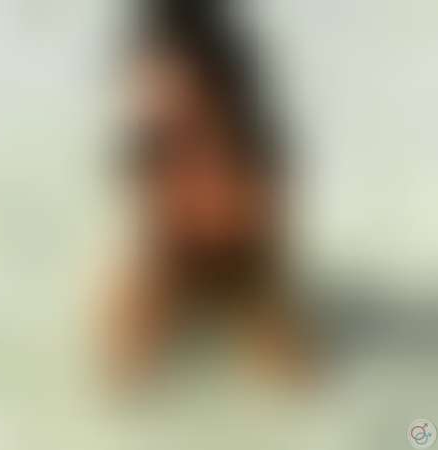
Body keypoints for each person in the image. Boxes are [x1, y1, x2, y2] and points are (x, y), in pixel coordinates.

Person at [98, 0, 312, 388]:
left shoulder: (250, 154)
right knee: (124, 353)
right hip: (182, 260)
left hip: (241, 265)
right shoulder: (153, 144)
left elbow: (262, 241)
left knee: (281, 361)